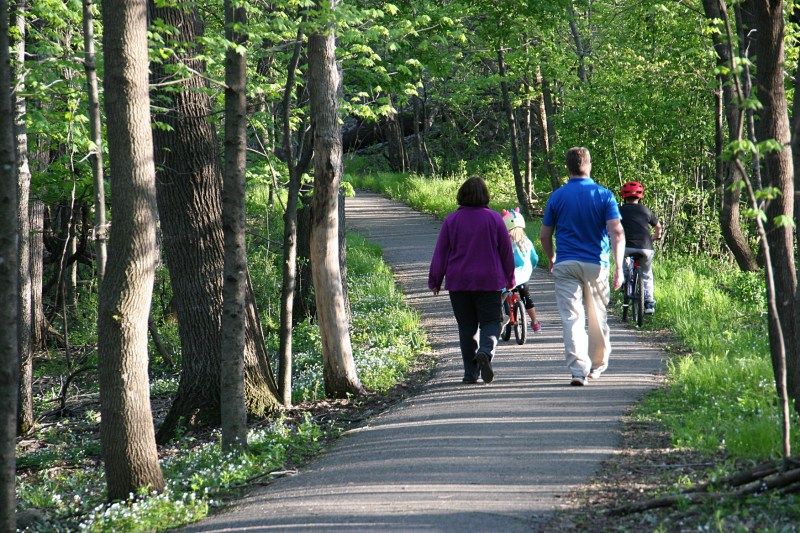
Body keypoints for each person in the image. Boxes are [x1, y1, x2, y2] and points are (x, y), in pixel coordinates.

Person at [539, 147, 626, 386]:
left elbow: (545, 235)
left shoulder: (557, 196)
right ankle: (596, 367)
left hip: (566, 263)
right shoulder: (604, 195)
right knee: (597, 317)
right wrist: (619, 267)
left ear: (568, 168)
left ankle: (578, 370)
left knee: (572, 318)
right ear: (589, 165)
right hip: (596, 264)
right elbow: (617, 233)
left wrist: (552, 257)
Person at [429, 176, 516, 384]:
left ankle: (470, 373)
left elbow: (441, 252)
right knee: (491, 321)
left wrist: (435, 280)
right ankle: (485, 351)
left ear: (462, 195)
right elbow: (506, 252)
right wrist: (510, 278)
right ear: (485, 195)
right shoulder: (494, 219)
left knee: (467, 327)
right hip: (489, 281)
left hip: (459, 282)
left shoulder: (452, 220)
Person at [618, 181, 662, 314]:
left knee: (623, 266)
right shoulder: (645, 210)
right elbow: (658, 227)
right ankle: (649, 304)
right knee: (647, 274)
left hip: (626, 247)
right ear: (641, 196)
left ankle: (625, 283)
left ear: (623, 196)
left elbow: (611, 226)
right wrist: (656, 236)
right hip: (645, 247)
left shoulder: (619, 210)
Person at [501, 208, 541, 333]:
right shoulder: (527, 242)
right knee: (526, 297)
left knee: (500, 295)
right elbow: (534, 258)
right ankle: (534, 322)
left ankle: (500, 317)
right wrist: (532, 267)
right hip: (524, 276)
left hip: (509, 277)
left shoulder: (505, 242)